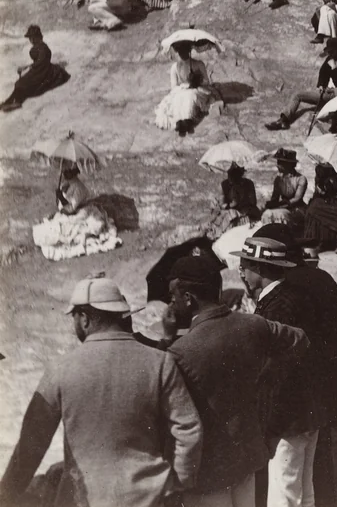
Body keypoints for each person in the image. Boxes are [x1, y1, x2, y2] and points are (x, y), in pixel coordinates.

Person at [0, 276, 202, 507]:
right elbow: (188, 429)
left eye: (74, 318)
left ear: (84, 319)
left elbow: (30, 446)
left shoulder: (60, 369)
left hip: (85, 499)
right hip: (149, 497)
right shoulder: (160, 362)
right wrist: (178, 481)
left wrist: (6, 494)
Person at [165, 257, 309, 507]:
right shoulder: (252, 324)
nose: (171, 303)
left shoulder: (180, 351)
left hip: (208, 470)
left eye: (173, 296)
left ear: (189, 298)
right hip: (246, 455)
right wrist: (267, 377)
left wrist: (165, 338)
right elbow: (300, 339)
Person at [237, 233, 331, 507]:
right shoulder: (293, 298)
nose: (241, 271)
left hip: (287, 415)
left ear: (262, 269)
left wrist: (269, 422)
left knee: (284, 493)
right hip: (308, 411)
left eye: (246, 264)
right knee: (303, 489)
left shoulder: (276, 307)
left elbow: (277, 371)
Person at [32, 163, 121, 260]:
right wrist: (59, 195)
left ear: (74, 173)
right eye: (64, 171)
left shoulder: (79, 188)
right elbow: (62, 206)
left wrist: (61, 197)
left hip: (80, 212)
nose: (64, 173)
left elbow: (71, 209)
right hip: (68, 212)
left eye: (67, 171)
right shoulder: (66, 184)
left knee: (65, 230)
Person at [266, 37, 337, 131]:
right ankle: (284, 120)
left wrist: (334, 68)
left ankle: (334, 121)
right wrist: (321, 85)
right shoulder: (330, 58)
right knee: (298, 95)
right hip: (325, 94)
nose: (330, 54)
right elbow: (323, 72)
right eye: (329, 51)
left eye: (332, 51)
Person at [0, 25, 70, 112]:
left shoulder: (43, 47)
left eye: (33, 37)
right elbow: (38, 62)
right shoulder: (38, 46)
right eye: (30, 38)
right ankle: (9, 101)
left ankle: (17, 102)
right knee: (20, 83)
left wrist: (28, 67)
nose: (31, 40)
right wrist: (28, 67)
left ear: (37, 37)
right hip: (39, 69)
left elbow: (41, 62)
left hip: (45, 71)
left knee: (21, 83)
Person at [154, 42, 215, 136]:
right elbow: (173, 86)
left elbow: (207, 81)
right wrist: (184, 87)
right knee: (179, 96)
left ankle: (188, 120)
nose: (182, 53)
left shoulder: (198, 64)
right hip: (182, 89)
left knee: (191, 95)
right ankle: (180, 122)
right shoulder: (175, 67)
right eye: (180, 51)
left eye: (184, 50)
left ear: (189, 51)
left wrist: (196, 79)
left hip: (198, 89)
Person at [260, 149, 308, 230]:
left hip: (296, 208)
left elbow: (297, 199)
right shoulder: (278, 180)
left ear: (289, 164)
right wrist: (270, 204)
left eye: (280, 163)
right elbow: (275, 198)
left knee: (281, 215)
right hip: (282, 206)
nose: (277, 165)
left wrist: (282, 204)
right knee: (267, 214)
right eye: (278, 163)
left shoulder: (301, 179)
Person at [215, 163, 259, 231]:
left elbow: (253, 202)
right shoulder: (224, 185)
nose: (230, 177)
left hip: (246, 212)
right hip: (231, 212)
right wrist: (231, 205)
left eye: (233, 174)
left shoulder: (248, 183)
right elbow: (222, 204)